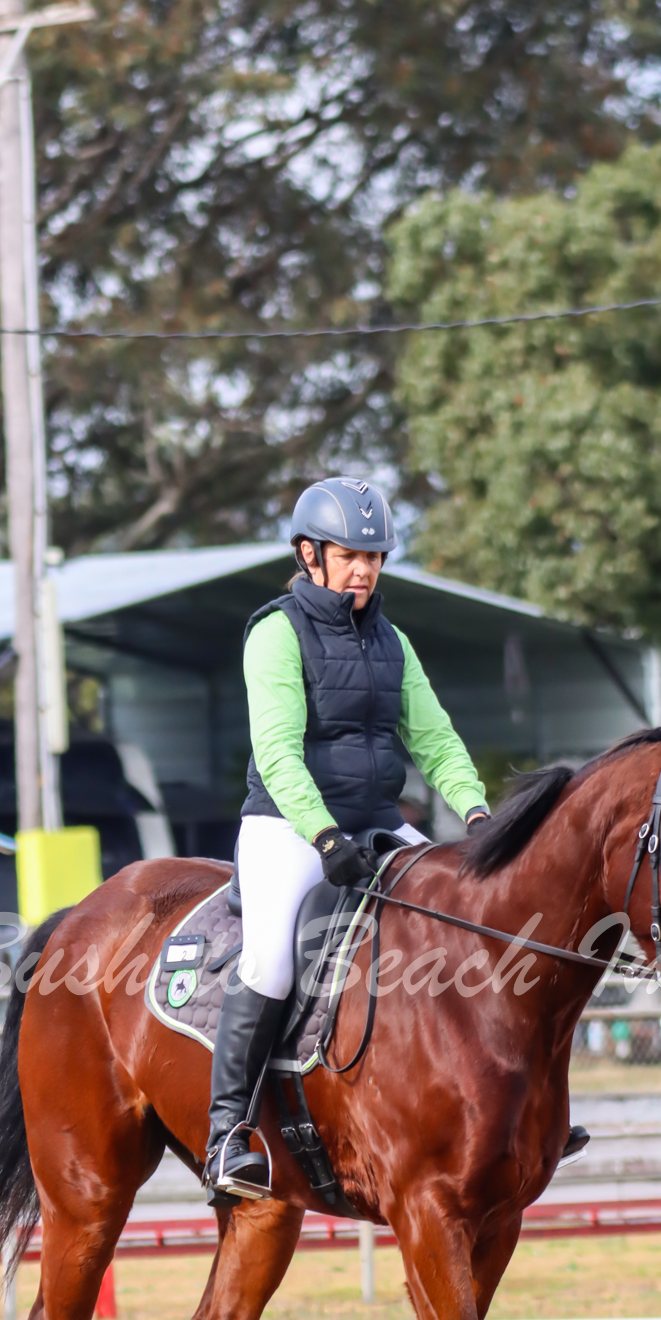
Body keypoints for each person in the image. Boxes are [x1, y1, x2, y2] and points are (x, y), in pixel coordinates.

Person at [205, 477, 490, 1198]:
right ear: (309, 555)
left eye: (374, 557)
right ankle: (227, 1133)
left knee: (472, 914)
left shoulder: (392, 641)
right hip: (288, 827)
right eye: (348, 555)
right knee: (271, 961)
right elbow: (277, 753)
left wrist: (477, 814)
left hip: (377, 821)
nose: (363, 569)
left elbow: (435, 740)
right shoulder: (275, 633)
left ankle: (505, 1101)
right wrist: (325, 837)